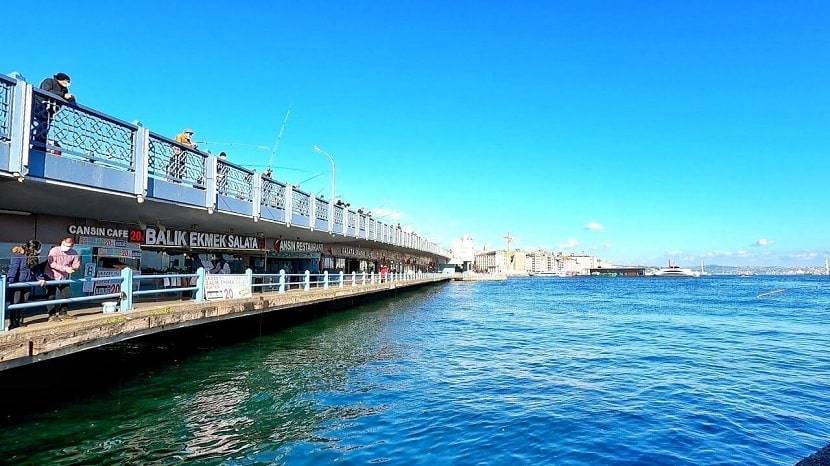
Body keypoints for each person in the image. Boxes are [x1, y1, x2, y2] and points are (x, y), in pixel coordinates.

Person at [32, 73, 76, 150]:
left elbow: (68, 98)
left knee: (45, 127)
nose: (67, 84)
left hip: (50, 111)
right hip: (40, 106)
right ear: (60, 79)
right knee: (36, 124)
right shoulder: (49, 81)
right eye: (66, 81)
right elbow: (46, 91)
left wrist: (71, 98)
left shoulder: (64, 89)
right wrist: (63, 95)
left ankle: (40, 146)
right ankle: (36, 144)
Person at [6, 244, 46, 329]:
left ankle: (20, 321)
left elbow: (36, 269)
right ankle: (13, 322)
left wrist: (41, 278)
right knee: (15, 303)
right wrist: (10, 281)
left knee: (24, 302)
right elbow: (13, 269)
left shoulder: (33, 257)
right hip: (17, 284)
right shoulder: (18, 256)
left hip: (28, 283)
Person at [44, 236, 81, 322]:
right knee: (51, 295)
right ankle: (52, 315)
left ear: (72, 246)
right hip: (51, 275)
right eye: (64, 245)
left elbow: (76, 263)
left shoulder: (74, 252)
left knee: (67, 294)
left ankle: (63, 313)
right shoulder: (54, 250)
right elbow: (52, 264)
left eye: (68, 246)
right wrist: (65, 268)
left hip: (64, 277)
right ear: (62, 242)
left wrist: (74, 268)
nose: (65, 247)